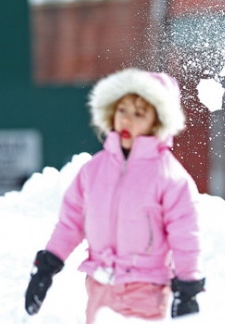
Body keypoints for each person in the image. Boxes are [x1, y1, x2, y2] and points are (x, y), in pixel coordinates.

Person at [24, 68, 205, 322]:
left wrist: (188, 289)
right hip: (99, 287)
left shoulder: (170, 177)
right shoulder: (93, 170)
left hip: (146, 291)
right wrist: (47, 267)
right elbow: (71, 222)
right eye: (122, 110)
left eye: (139, 114)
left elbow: (186, 236)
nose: (127, 121)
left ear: (159, 121)